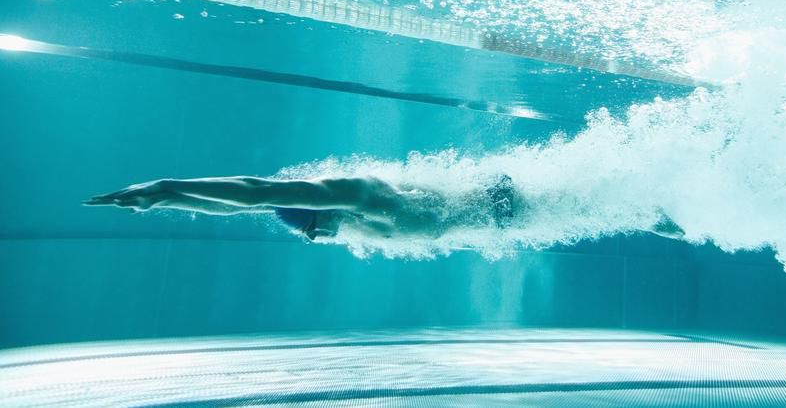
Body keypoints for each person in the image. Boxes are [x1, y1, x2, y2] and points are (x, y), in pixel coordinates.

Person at [85, 173, 685, 244]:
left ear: (317, 213)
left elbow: (259, 192)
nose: (325, 239)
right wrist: (173, 203)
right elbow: (243, 210)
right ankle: (690, 207)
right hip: (511, 216)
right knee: (642, 215)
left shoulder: (361, 198)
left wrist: (167, 181)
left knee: (630, 202)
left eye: (317, 232)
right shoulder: (352, 224)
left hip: (515, 200)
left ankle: (688, 194)